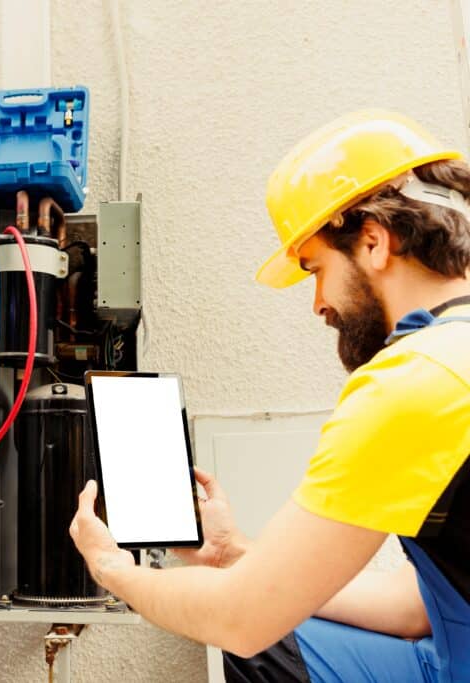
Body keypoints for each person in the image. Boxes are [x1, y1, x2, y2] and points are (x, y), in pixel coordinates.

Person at [70, 110, 470, 682]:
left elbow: (241, 619)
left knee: (250, 631)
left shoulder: (417, 382)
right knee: (279, 635)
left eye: (314, 269)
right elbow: (415, 611)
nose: (318, 304)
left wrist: (111, 568)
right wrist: (236, 553)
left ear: (375, 242)